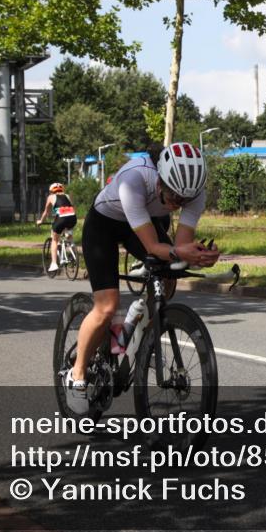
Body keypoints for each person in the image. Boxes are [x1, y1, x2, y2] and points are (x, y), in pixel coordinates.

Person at [64, 143, 219, 413]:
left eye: (183, 201)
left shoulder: (195, 193)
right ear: (160, 179)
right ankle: (76, 375)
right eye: (172, 196)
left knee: (170, 275)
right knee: (107, 306)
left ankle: (134, 335)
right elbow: (154, 248)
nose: (176, 204)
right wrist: (177, 252)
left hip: (142, 222)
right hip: (105, 225)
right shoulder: (133, 180)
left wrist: (196, 255)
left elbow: (179, 247)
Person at [36, 183, 77, 272]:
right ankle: (74, 254)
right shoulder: (68, 196)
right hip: (72, 218)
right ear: (62, 190)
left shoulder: (51, 197)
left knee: (54, 240)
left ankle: (54, 263)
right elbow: (73, 208)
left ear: (51, 191)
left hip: (61, 219)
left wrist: (41, 221)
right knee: (69, 235)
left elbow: (46, 212)